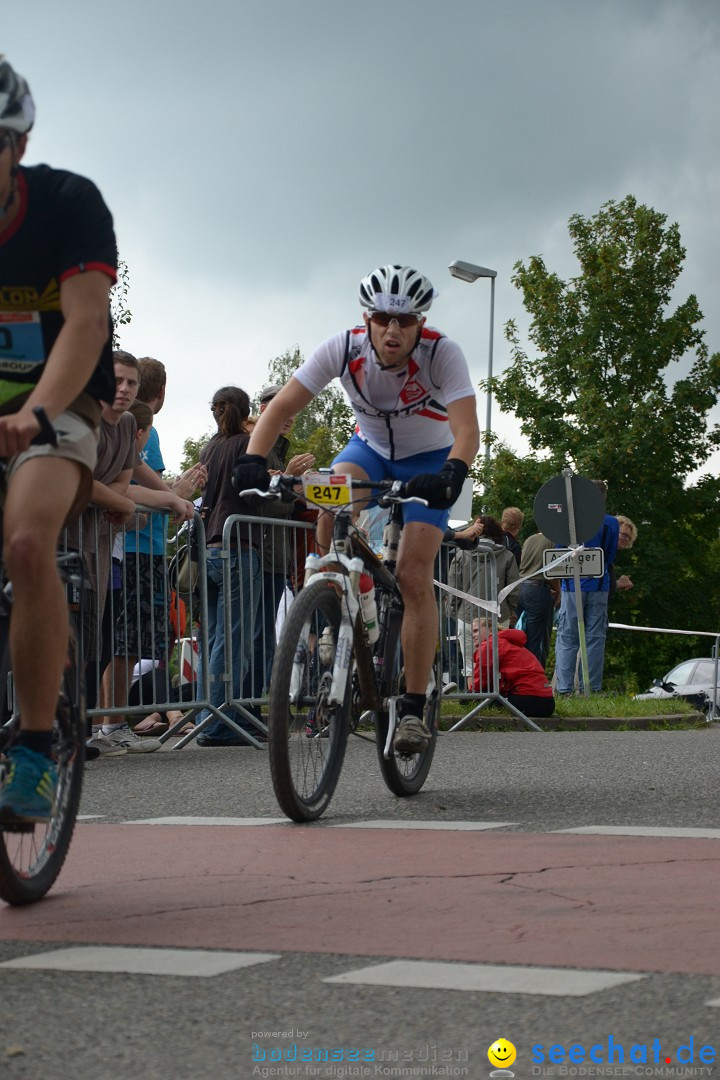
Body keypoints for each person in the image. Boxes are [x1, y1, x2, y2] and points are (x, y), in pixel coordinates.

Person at [235, 264, 479, 754]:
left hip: (429, 459)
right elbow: (281, 407)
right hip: (367, 449)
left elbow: (466, 430)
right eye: (384, 318)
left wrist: (452, 472)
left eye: (405, 321)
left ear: (420, 324)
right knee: (328, 493)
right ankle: (332, 583)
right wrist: (252, 461)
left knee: (412, 575)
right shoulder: (343, 347)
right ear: (367, 318)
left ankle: (411, 705)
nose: (393, 330)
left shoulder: (442, 353)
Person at [0, 57, 117, 825]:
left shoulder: (69, 202)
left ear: (17, 143)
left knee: (26, 545)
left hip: (63, 400)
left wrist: (35, 413)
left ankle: (37, 751)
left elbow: (85, 323)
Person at [196, 386, 263, 746]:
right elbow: (260, 487)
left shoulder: (210, 447)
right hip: (238, 546)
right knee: (234, 639)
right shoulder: (247, 444)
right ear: (246, 409)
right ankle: (218, 722)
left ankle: (213, 714)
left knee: (215, 638)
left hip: (210, 546)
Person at [242, 384, 315, 710]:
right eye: (278, 410)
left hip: (273, 556)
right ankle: (246, 710)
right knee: (255, 637)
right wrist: (289, 479)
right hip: (261, 552)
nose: (286, 417)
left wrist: (301, 487)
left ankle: (252, 709)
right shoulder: (259, 447)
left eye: (290, 411)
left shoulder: (277, 448)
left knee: (262, 636)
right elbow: (266, 504)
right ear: (262, 411)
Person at [553, 481, 619, 694]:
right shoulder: (610, 523)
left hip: (572, 586)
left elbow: (558, 553)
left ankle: (564, 689)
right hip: (599, 585)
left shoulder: (569, 522)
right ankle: (591, 688)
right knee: (595, 638)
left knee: (567, 637)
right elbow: (609, 556)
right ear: (604, 498)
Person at [446, 514, 520, 682]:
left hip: (467, 614)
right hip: (499, 616)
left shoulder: (461, 555)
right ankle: (496, 695)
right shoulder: (507, 556)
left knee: (469, 662)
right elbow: (513, 589)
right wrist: (511, 609)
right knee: (498, 659)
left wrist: (453, 608)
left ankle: (473, 695)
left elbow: (453, 587)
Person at [472, 617, 555, 718]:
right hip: (548, 702)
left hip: (527, 699)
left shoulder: (489, 645)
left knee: (468, 698)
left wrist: (471, 694)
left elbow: (480, 683)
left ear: (490, 630)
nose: (473, 636)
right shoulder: (511, 643)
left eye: (476, 631)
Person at [515, 530, 559, 668]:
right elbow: (552, 571)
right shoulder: (554, 541)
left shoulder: (530, 539)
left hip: (520, 587)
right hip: (538, 589)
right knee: (536, 641)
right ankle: (533, 679)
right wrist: (558, 591)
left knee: (519, 638)